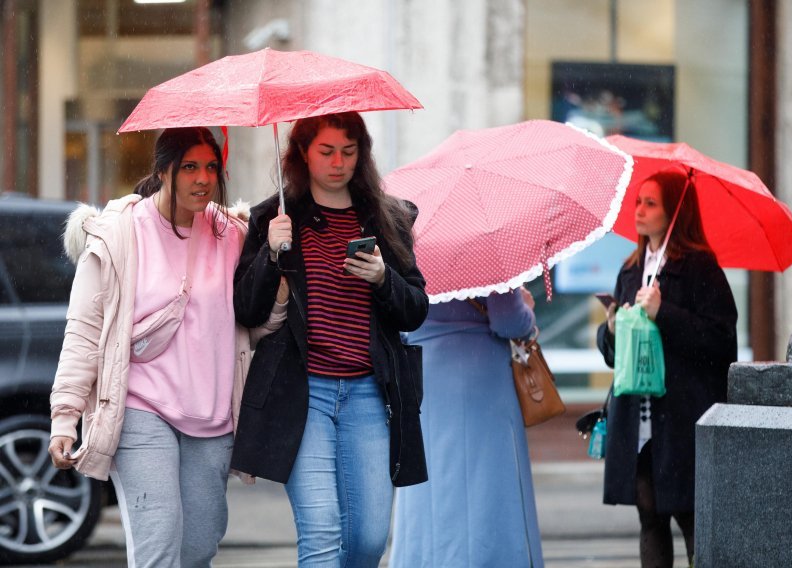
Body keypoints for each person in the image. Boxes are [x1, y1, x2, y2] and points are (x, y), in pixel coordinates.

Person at [48, 127, 287, 567]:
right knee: (158, 545)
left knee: (198, 547)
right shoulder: (118, 235)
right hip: (141, 409)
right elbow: (84, 330)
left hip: (213, 416)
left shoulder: (232, 235)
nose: (203, 179)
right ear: (162, 171)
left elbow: (254, 328)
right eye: (190, 167)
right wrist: (65, 417)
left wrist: (279, 280)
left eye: (211, 167)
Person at [230, 111, 429, 567]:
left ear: (362, 155)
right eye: (326, 151)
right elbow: (246, 309)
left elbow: (416, 310)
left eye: (348, 151)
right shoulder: (273, 218)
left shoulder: (387, 219)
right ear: (302, 153)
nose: (338, 162)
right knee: (321, 532)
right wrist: (269, 252)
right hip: (303, 395)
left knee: (368, 539)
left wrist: (383, 279)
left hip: (368, 395)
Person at [596, 168, 738, 568]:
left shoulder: (699, 268)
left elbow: (721, 341)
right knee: (650, 515)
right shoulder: (631, 268)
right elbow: (611, 353)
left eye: (650, 203)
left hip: (681, 414)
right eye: (638, 201)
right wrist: (609, 330)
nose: (638, 210)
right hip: (637, 416)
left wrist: (665, 313)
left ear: (674, 211)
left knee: (693, 517)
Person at [390, 288, 545, 568]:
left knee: (429, 481)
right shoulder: (486, 249)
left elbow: (396, 318)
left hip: (427, 375)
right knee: (488, 484)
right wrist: (527, 310)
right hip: (481, 375)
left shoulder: (409, 249)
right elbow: (508, 320)